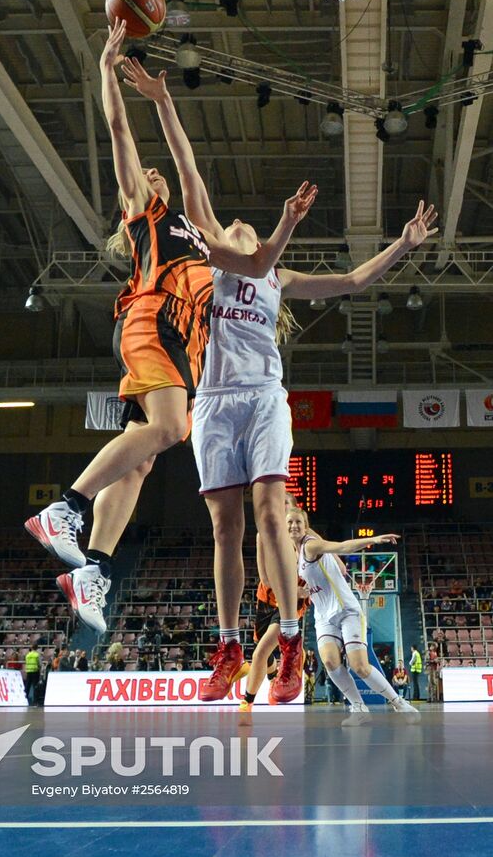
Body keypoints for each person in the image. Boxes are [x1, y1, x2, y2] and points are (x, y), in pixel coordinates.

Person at [117, 54, 439, 703]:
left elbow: (352, 281)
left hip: (264, 398)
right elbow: (187, 169)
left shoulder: (275, 274)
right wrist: (161, 100)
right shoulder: (213, 256)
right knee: (224, 528)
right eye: (229, 224)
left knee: (269, 512)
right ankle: (228, 647)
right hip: (213, 401)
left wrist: (403, 244)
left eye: (246, 225)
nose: (236, 222)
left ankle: (291, 640)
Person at [26, 17, 315, 635]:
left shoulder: (206, 240)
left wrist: (286, 227)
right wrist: (107, 69)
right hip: (150, 318)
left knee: (141, 459)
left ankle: (94, 569)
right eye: (148, 173)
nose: (153, 173)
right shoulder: (147, 214)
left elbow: (261, 259)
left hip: (178, 344)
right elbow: (119, 130)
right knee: (170, 426)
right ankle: (66, 507)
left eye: (157, 173)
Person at [290, 507, 419, 725]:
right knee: (330, 661)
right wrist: (302, 592)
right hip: (323, 615)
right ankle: (359, 708)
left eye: (298, 522)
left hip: (346, 609)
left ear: (305, 526)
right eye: (290, 522)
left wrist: (373, 540)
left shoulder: (311, 545)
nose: (293, 526)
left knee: (359, 665)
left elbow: (342, 546)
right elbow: (314, 580)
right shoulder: (292, 554)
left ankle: (399, 702)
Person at [238, 548, 310, 717]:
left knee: (259, 653)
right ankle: (273, 678)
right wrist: (293, 589)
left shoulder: (307, 546)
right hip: (266, 600)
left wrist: (305, 590)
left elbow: (316, 578)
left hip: (290, 604)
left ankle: (247, 701)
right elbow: (265, 579)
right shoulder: (266, 538)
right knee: (262, 649)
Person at [24, 642, 41, 707]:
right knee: (35, 687)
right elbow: (39, 664)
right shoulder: (37, 655)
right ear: (37, 648)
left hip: (28, 672)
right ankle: (35, 702)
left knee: (27, 687)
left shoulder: (27, 655)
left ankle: (25, 700)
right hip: (35, 671)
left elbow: (26, 663)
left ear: (31, 648)